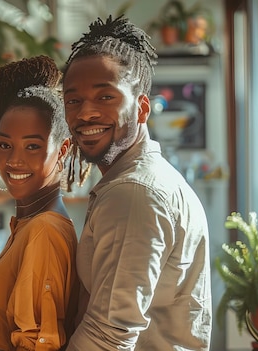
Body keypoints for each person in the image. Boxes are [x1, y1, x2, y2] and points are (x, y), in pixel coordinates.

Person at [61, 15, 212, 350]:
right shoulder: (140, 182)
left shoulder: (133, 193)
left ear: (142, 108)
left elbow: (108, 335)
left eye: (105, 97)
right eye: (73, 100)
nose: (85, 113)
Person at [0, 55, 79, 351]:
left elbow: (40, 344)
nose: (14, 160)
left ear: (62, 150)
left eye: (33, 146)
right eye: (5, 145)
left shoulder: (44, 232)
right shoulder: (28, 226)